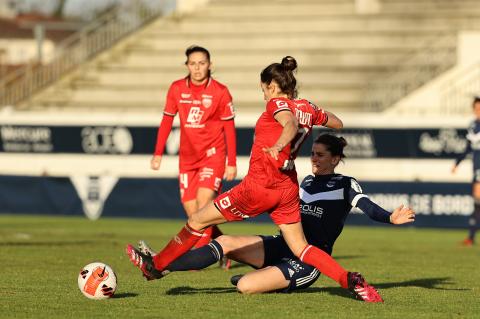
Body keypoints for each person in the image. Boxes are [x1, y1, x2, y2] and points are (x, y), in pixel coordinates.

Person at [126, 56, 383, 302]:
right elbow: (336, 123)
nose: (264, 94)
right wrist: (313, 114)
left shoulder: (277, 104)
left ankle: (155, 265)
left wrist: (280, 143)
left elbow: (290, 123)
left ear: (272, 86)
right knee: (300, 247)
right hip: (287, 187)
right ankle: (349, 279)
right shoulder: (307, 107)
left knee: (197, 219)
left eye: (264, 88)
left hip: (260, 186)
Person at [137, 133, 415, 296]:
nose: (314, 159)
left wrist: (389, 217)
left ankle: (267, 277)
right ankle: (161, 266)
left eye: (320, 155)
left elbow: (366, 206)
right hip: (281, 245)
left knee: (244, 287)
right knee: (225, 243)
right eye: (313, 154)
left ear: (335, 158)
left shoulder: (345, 184)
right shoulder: (304, 182)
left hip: (308, 261)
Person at [151, 45, 237, 252]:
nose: (197, 68)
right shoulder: (177, 88)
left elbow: (229, 128)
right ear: (187, 65)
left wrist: (231, 162)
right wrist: (158, 154)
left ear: (210, 65)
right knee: (194, 215)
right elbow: (166, 121)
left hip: (213, 156)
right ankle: (225, 248)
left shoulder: (220, 92)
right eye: (192, 64)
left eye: (202, 63)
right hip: (188, 159)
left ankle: (198, 257)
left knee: (203, 205)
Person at [452, 96, 480, 246]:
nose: (478, 111)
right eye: (476, 108)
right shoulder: (473, 126)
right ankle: (471, 237)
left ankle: (471, 236)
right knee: (477, 203)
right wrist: (457, 162)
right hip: (476, 167)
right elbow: (468, 148)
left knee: (477, 200)